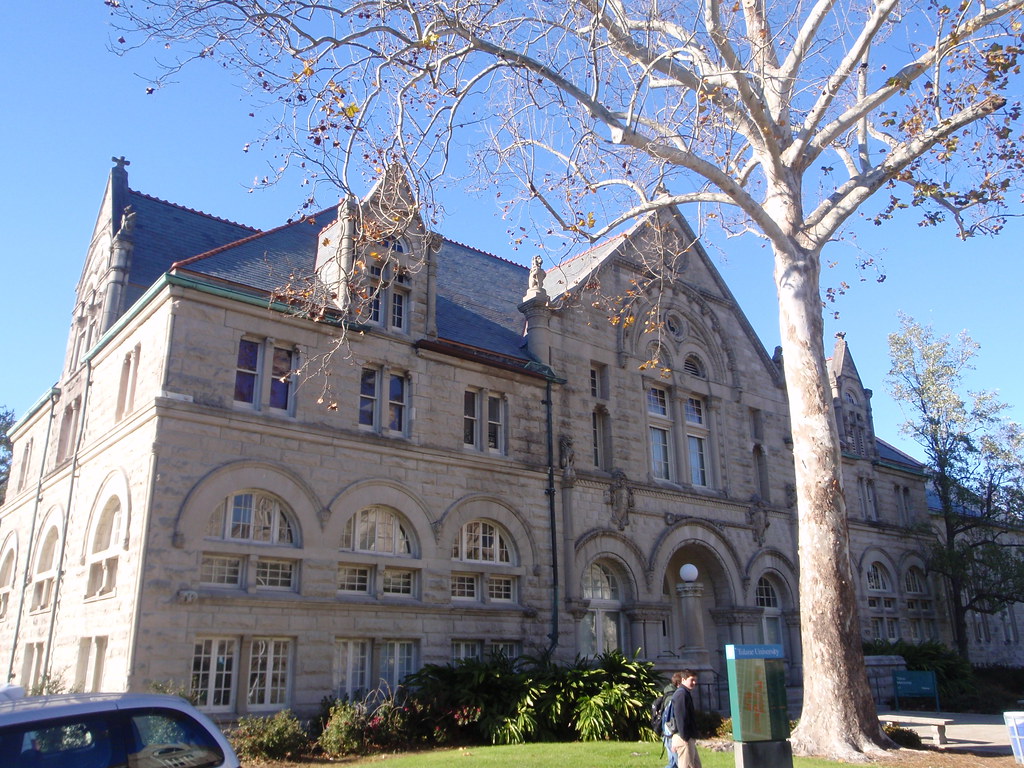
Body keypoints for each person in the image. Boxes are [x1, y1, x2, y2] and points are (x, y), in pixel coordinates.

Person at [668, 669, 702, 768]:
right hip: (683, 738)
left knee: (696, 766)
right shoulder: (681, 694)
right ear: (683, 679)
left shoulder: (685, 693)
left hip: (686, 737)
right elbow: (680, 717)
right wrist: (685, 737)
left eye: (695, 680)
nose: (694, 683)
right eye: (692, 680)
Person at [661, 672, 683, 768]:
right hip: (671, 731)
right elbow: (672, 716)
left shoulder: (669, 693)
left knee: (673, 762)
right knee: (676, 762)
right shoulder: (673, 696)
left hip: (667, 730)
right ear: (679, 683)